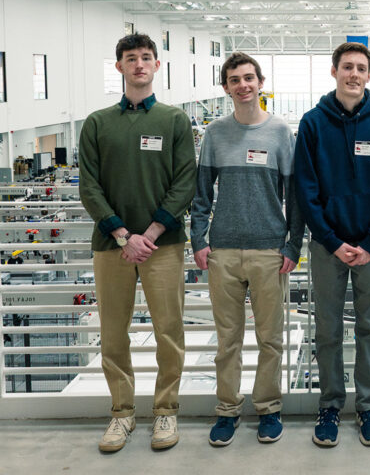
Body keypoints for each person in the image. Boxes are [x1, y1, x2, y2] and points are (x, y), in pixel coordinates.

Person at [79, 33, 196, 452]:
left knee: (169, 330)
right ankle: (122, 414)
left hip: (162, 245)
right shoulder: (96, 123)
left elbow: (186, 181)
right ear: (120, 68)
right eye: (131, 59)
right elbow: (88, 185)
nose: (140, 64)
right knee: (113, 333)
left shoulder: (174, 120)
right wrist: (122, 233)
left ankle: (165, 412)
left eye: (147, 58)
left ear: (157, 65)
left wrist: (150, 233)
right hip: (112, 245)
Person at [190, 52, 304, 447]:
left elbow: (295, 197)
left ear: (260, 82)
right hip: (222, 252)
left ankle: (268, 408)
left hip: (269, 252)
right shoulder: (216, 135)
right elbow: (201, 194)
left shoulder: (279, 133)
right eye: (235, 79)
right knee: (228, 340)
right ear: (226, 87)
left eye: (249, 78)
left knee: (271, 338)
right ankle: (226, 411)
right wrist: (199, 241)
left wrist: (292, 244)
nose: (243, 85)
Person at [294, 41, 370, 447]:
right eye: (347, 67)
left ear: (369, 75)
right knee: (327, 330)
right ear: (334, 71)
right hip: (327, 248)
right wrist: (332, 240)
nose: (353, 74)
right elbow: (306, 190)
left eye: (360, 68)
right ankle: (330, 405)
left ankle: (368, 406)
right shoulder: (312, 123)